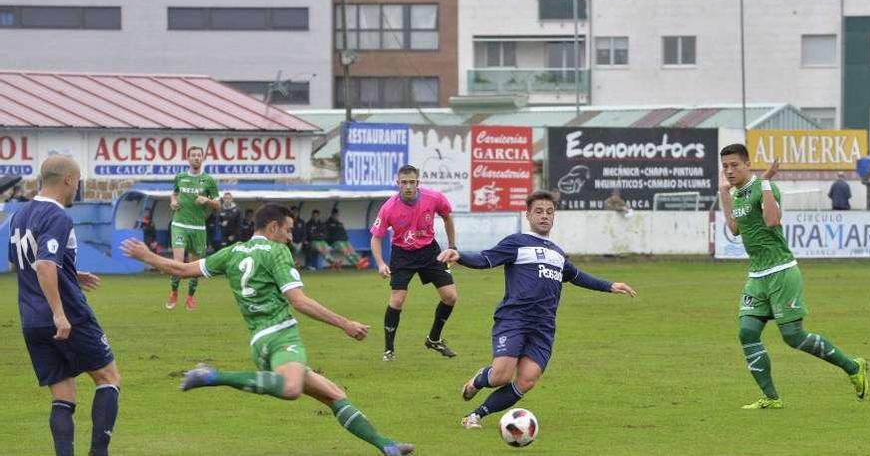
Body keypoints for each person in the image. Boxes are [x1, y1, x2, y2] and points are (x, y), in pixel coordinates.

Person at [120, 204, 414, 456]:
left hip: (259, 342)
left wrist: (147, 256)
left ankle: (385, 445)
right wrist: (345, 324)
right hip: (282, 336)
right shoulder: (276, 251)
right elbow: (298, 301)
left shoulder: (233, 252)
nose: (290, 236)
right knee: (290, 389)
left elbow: (183, 270)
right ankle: (211, 375)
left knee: (334, 395)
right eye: (287, 230)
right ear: (273, 227)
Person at [436, 190, 637, 429]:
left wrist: (610, 285)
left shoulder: (558, 254)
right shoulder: (517, 243)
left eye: (549, 212)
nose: (544, 216)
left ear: (554, 217)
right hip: (514, 318)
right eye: (539, 211)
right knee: (500, 376)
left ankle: (475, 416)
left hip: (543, 326)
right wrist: (459, 256)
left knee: (527, 380)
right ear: (528, 215)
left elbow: (577, 276)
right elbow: (485, 258)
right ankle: (479, 380)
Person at [718, 143, 867, 409]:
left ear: (747, 164)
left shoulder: (766, 188)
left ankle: (852, 366)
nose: (729, 171)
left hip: (781, 271)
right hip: (757, 275)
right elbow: (734, 228)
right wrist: (724, 194)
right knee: (747, 332)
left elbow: (773, 220)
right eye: (725, 166)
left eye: (734, 165)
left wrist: (765, 182)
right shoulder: (737, 194)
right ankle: (771, 398)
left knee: (793, 336)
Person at [8, 155, 120, 456]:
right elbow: (44, 264)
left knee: (63, 394)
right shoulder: (57, 216)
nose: (78, 187)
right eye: (79, 180)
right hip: (67, 316)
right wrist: (59, 312)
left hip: (31, 319)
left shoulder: (19, 215)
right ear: (69, 179)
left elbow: (18, 261)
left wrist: (69, 272)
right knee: (108, 378)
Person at [370, 164, 459, 362]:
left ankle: (434, 339)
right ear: (398, 184)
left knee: (450, 297)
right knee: (397, 300)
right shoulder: (389, 208)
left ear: (418, 183)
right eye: (404, 183)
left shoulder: (434, 198)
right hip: (402, 254)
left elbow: (447, 217)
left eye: (412, 182)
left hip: (430, 251)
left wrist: (452, 246)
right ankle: (389, 350)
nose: (408, 186)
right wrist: (380, 263)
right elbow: (376, 237)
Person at [166, 146, 220, 311]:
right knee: (178, 262)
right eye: (193, 155)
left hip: (198, 227)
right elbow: (174, 193)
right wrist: (173, 201)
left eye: (199, 155)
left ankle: (190, 296)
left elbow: (218, 204)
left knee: (194, 265)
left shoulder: (208, 180)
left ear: (202, 159)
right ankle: (174, 291)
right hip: (179, 224)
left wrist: (207, 201)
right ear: (188, 158)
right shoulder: (180, 177)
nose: (196, 158)